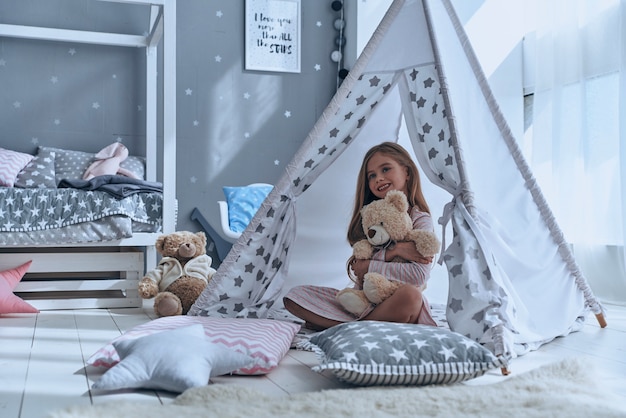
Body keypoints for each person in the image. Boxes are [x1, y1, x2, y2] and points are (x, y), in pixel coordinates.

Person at [283, 142, 438, 330]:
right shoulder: (371, 218)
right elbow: (360, 269)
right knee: (294, 296)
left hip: (399, 302)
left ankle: (351, 326)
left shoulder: (420, 220)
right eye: (372, 175)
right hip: (365, 303)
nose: (378, 179)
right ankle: (362, 321)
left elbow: (418, 276)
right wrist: (393, 252)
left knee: (411, 296)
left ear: (406, 172)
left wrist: (370, 265)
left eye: (385, 169)